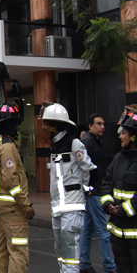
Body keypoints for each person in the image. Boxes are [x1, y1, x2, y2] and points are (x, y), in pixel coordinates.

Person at [40, 103, 96, 273]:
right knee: (61, 252)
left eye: (46, 124)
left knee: (70, 253)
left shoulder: (74, 143)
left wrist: (85, 188)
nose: (43, 127)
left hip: (71, 208)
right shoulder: (55, 144)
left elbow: (88, 168)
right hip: (58, 208)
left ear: (55, 126)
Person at [0, 103, 35, 273]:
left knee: (4, 249)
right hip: (12, 207)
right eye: (15, 123)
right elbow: (11, 179)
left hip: (1, 206)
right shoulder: (7, 146)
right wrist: (25, 204)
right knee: (19, 252)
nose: (17, 127)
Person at [101, 111, 137, 271]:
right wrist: (108, 204)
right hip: (118, 232)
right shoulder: (118, 158)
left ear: (134, 136)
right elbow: (107, 182)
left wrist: (122, 210)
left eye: (123, 133)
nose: (120, 137)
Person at [80, 113, 116, 273]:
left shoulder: (93, 142)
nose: (102, 127)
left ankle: (84, 264)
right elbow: (80, 167)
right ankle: (109, 267)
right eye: (99, 124)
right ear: (90, 126)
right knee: (103, 230)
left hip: (93, 192)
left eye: (103, 124)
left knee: (87, 230)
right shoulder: (87, 142)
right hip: (94, 193)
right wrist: (87, 188)